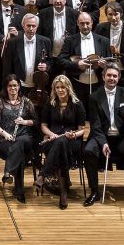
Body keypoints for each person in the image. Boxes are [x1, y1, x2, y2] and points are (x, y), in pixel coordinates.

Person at [86, 64, 124, 211]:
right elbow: (95, 125)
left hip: (122, 137)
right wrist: (104, 143)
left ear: (118, 78)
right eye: (109, 75)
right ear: (103, 77)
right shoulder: (94, 97)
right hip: (101, 136)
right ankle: (94, 191)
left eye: (115, 76)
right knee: (88, 151)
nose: (112, 78)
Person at [40, 74, 88, 209]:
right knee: (60, 145)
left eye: (63, 87)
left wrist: (73, 135)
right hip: (52, 140)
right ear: (54, 89)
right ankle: (63, 193)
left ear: (68, 88)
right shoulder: (50, 104)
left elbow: (82, 130)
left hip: (72, 142)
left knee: (62, 144)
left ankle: (43, 175)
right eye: (57, 88)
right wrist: (52, 134)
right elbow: (43, 126)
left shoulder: (78, 105)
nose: (60, 90)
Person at [0, 76, 39, 203]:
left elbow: (36, 121)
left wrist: (25, 121)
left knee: (20, 143)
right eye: (10, 86)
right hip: (5, 140)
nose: (13, 88)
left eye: (15, 85)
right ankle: (19, 191)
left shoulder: (26, 102)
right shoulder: (0, 103)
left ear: (19, 86)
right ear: (6, 88)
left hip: (25, 137)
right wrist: (5, 134)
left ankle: (8, 173)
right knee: (19, 154)